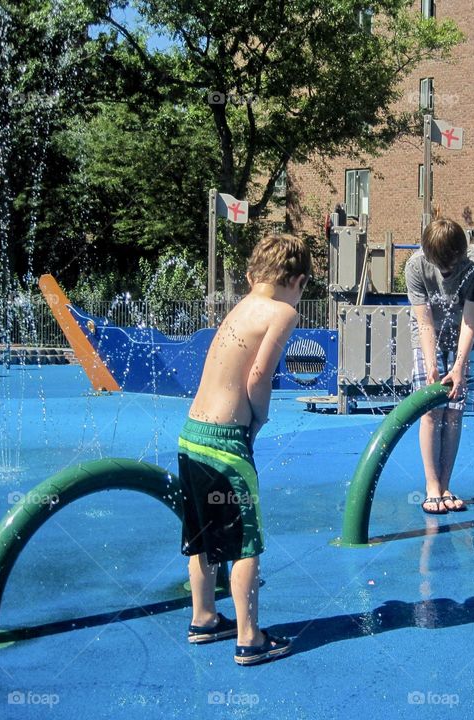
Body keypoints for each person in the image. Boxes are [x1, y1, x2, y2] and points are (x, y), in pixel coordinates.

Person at [178, 232, 310, 665]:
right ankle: (250, 637)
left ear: (255, 276)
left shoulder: (242, 306)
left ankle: (203, 618)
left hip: (191, 435)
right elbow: (259, 376)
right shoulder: (283, 312)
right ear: (299, 281)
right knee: (245, 543)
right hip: (225, 442)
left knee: (201, 536)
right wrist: (258, 420)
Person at [405, 217, 474, 515]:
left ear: (461, 254)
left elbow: (470, 320)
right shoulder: (415, 266)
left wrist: (459, 366)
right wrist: (432, 366)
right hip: (426, 339)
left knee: (454, 411)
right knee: (431, 411)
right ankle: (431, 486)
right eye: (441, 267)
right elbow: (425, 322)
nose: (446, 273)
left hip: (463, 338)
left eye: (451, 267)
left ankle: (445, 485)